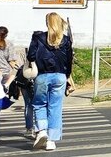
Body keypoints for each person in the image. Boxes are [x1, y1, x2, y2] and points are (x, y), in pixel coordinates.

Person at [28, 13, 75, 151]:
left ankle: (42, 130)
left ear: (47, 23)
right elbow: (69, 60)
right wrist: (67, 76)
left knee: (39, 104)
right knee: (55, 107)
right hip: (60, 76)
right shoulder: (65, 40)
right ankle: (51, 141)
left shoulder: (38, 37)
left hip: (42, 76)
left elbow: (30, 56)